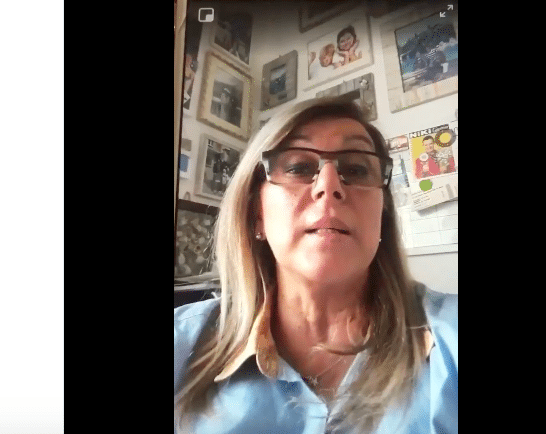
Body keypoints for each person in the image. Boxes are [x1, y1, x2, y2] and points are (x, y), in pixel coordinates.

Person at [174, 97, 458, 434]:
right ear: (256, 215)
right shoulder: (181, 342)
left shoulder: (450, 336)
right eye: (298, 167)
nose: (329, 185)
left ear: (382, 213)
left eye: (356, 169)